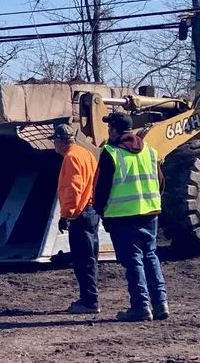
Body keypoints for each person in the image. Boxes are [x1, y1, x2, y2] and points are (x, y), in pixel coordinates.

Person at [94, 111, 169, 322]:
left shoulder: (110, 152)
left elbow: (102, 188)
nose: (108, 131)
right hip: (150, 213)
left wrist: (101, 211)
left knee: (134, 260)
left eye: (110, 127)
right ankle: (160, 303)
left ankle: (141, 306)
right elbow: (161, 182)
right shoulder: (150, 151)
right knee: (150, 256)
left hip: (123, 217)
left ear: (116, 130)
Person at [51, 122, 100, 314]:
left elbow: (73, 188)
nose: (54, 145)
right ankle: (89, 298)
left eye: (55, 140)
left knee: (82, 259)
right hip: (91, 210)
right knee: (90, 258)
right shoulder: (85, 154)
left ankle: (89, 301)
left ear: (61, 141)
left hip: (80, 213)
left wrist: (66, 215)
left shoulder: (71, 158)